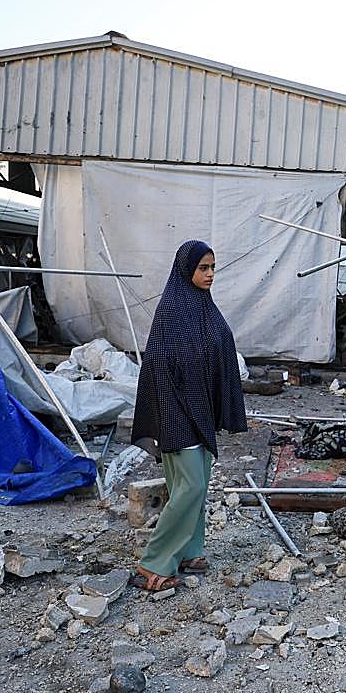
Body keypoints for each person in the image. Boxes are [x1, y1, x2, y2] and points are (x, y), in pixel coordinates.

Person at [129, 240, 247, 592]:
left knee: (196, 485)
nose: (210, 274)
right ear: (186, 270)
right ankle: (153, 563)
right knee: (191, 486)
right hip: (177, 415)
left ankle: (189, 550)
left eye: (213, 267)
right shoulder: (172, 312)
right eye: (203, 268)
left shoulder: (203, 307)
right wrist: (174, 417)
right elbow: (158, 368)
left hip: (200, 412)